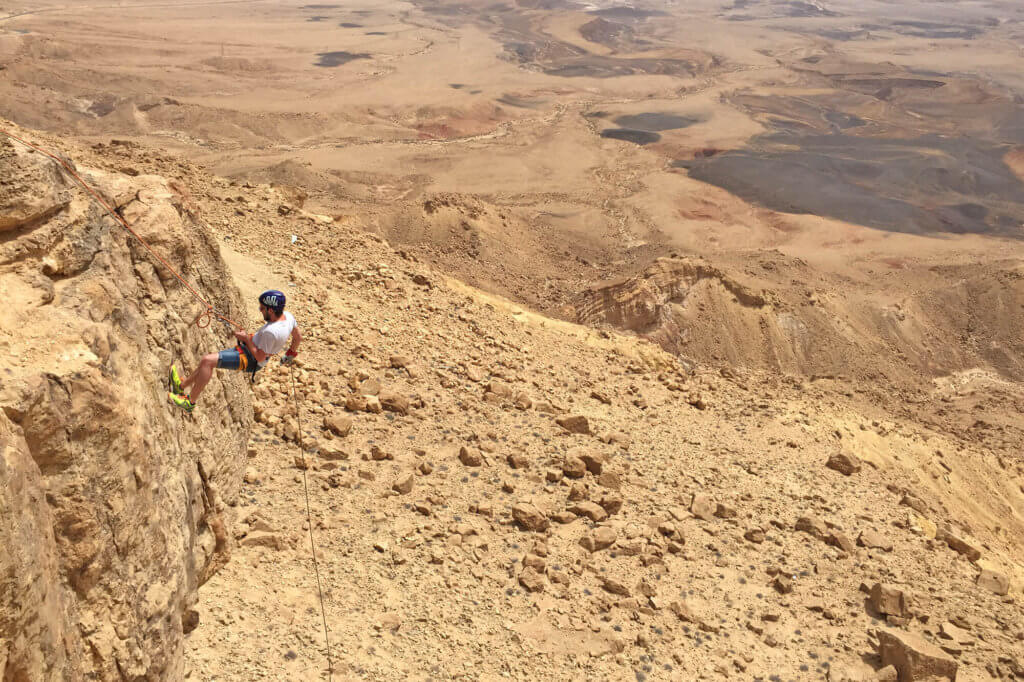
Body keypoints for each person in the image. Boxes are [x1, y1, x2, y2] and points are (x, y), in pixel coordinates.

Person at [168, 290, 301, 413]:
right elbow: (297, 337)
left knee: (207, 361)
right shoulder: (288, 317)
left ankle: (190, 402)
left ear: (270, 310)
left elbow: (260, 357)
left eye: (262, 308)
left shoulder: (271, 332)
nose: (260, 310)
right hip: (249, 350)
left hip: (251, 359)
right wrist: (290, 353)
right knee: (205, 362)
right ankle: (182, 386)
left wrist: (246, 339)